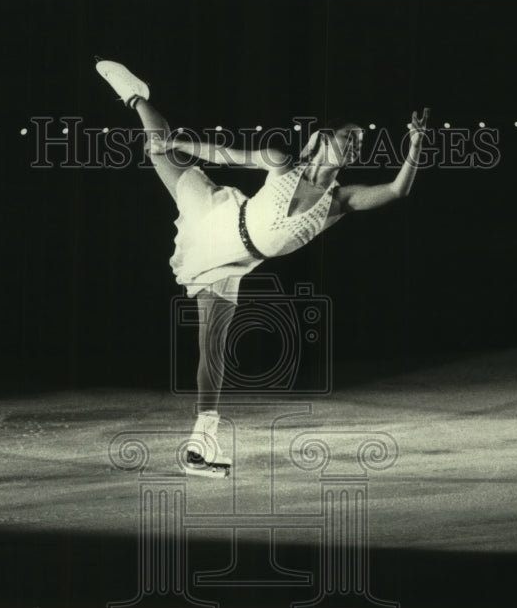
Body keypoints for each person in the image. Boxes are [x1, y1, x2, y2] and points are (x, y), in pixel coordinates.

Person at [96, 60, 429, 477]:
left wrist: (415, 147)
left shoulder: (339, 201)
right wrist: (177, 143)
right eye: (351, 136)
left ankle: (201, 443)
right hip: (215, 213)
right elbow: (223, 154)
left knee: (212, 346)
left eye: (362, 142)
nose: (357, 145)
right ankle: (136, 95)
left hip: (235, 262)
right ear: (323, 138)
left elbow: (397, 190)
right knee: (157, 146)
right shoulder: (281, 161)